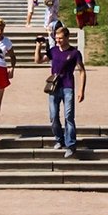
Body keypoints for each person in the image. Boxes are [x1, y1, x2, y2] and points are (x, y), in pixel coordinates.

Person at [35, 22, 88, 156]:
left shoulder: (75, 53)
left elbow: (82, 71)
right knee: (53, 116)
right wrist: (38, 46)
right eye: (56, 38)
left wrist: (81, 90)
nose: (58, 40)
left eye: (60, 38)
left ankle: (71, 144)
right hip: (54, 87)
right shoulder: (53, 51)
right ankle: (59, 139)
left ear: (67, 37)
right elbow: (38, 60)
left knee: (69, 116)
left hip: (68, 86)